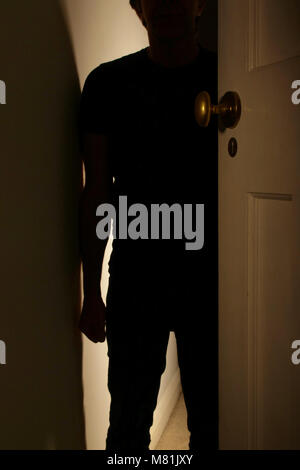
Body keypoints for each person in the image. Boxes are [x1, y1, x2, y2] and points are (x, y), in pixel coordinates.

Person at [78, 0, 218, 451]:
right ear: (137, 5)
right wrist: (91, 293)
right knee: (127, 426)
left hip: (213, 279)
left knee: (215, 421)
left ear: (200, 4)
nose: (166, 3)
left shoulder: (230, 80)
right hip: (137, 280)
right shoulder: (107, 84)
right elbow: (97, 190)